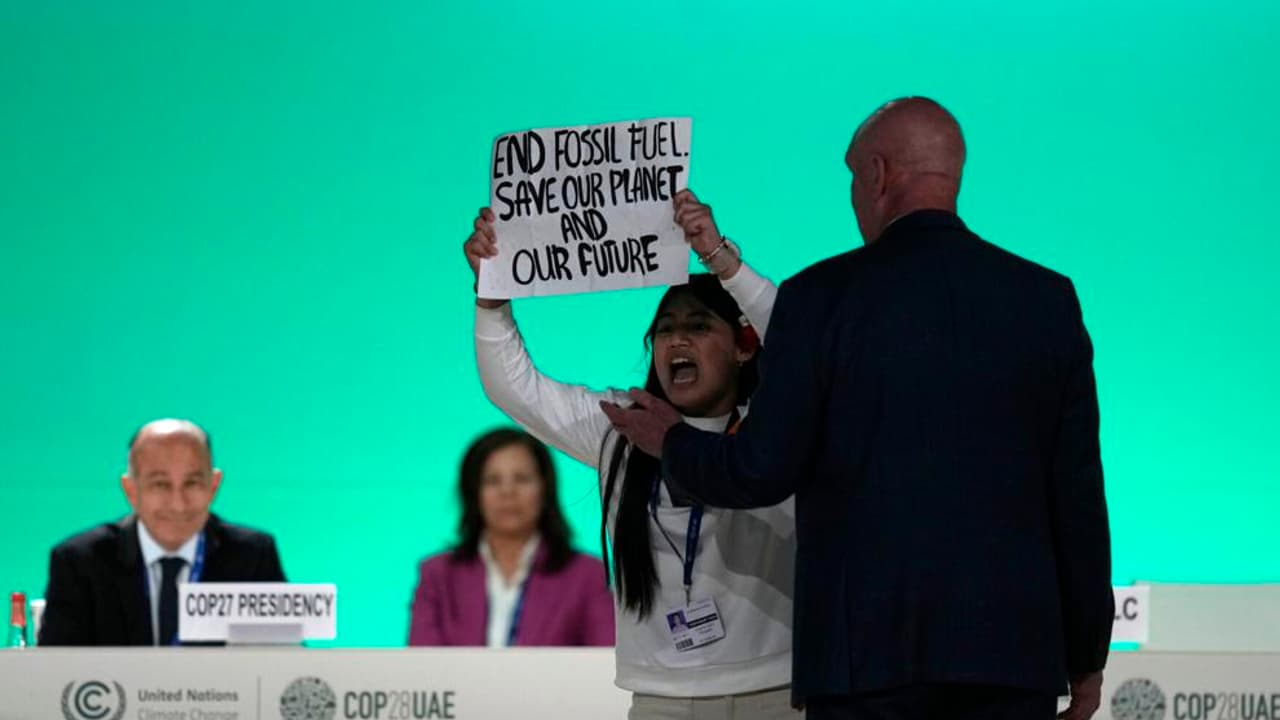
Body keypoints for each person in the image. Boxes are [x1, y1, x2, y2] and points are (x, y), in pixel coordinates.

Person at [602, 98, 1114, 720]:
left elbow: (761, 469)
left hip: (863, 668)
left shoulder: (819, 299)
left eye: (851, 177)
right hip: (1008, 663)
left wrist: (673, 442)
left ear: (877, 173)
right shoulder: (1046, 301)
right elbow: (1079, 499)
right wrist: (1086, 653)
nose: (852, 196)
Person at [463, 191, 800, 719]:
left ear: (744, 345)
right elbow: (514, 387)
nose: (675, 341)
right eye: (664, 331)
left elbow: (803, 342)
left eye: (697, 326)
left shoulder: (779, 425)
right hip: (658, 700)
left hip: (776, 695)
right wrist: (492, 293)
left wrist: (721, 260)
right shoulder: (622, 426)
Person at [39, 419, 287, 646]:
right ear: (131, 490)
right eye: (161, 484)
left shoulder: (253, 556)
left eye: (192, 483)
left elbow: (284, 667)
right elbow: (55, 674)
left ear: (213, 486)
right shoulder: (80, 562)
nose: (178, 504)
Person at [408, 427, 615, 646]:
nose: (507, 492)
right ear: (473, 492)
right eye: (492, 480)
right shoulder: (438, 575)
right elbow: (421, 669)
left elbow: (603, 662)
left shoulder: (587, 576)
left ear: (545, 489)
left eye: (522, 479)